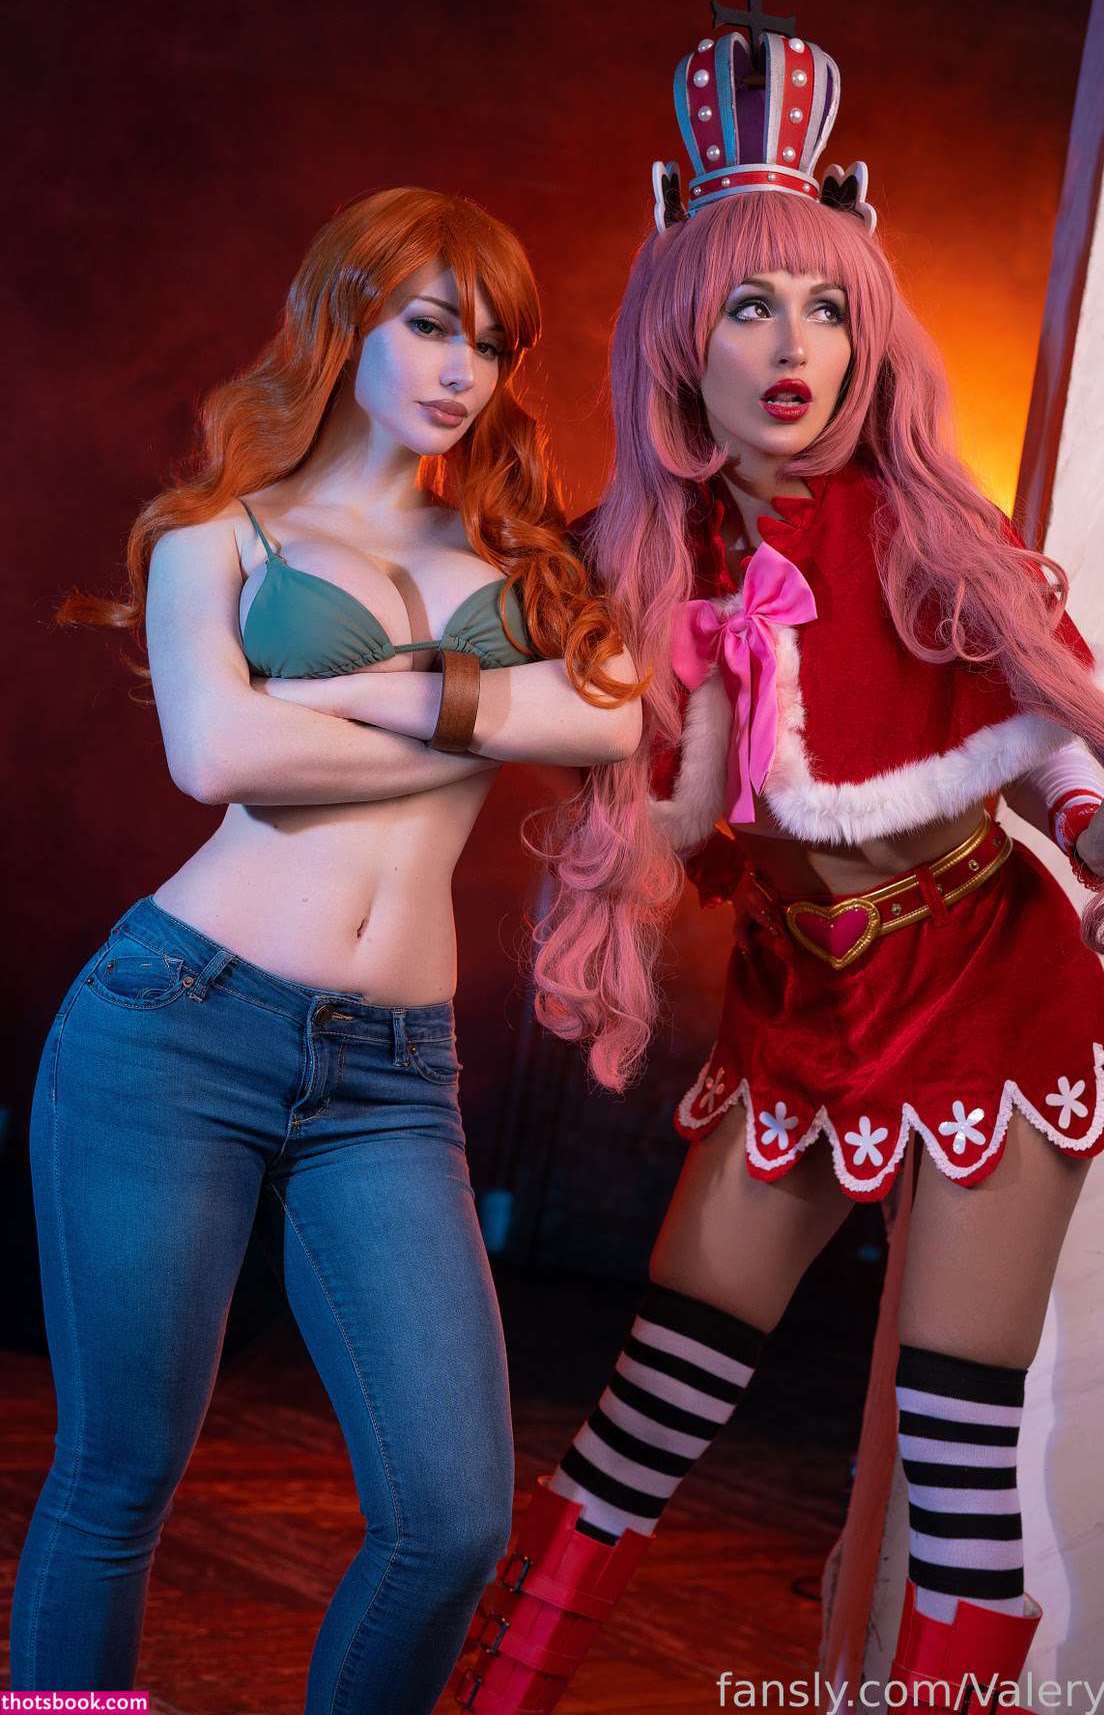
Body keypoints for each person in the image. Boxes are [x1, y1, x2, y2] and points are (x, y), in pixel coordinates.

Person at [448, 0, 1104, 1712]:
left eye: (826, 304)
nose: (792, 341)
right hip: (799, 1007)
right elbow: (565, 757)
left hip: (987, 999)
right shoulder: (627, 558)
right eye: (749, 304)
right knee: (642, 1420)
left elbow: (1051, 777)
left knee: (954, 1461)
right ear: (682, 338)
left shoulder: (934, 527)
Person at [10, 186, 642, 1709]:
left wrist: (359, 695)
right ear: (344, 317)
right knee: (116, 1476)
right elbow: (217, 759)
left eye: (490, 345)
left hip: (391, 1076)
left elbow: (616, 722)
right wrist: (483, 721)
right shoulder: (216, 536)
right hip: (175, 1024)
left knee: (451, 1520)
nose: (460, 370)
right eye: (428, 325)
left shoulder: (523, 558)